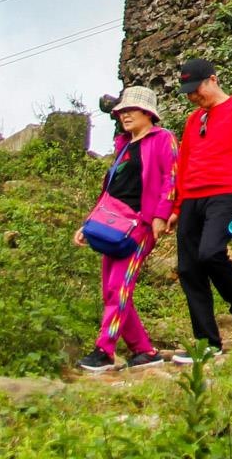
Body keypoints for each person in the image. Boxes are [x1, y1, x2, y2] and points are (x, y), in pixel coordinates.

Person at [169, 58, 232, 362]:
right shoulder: (193, 119)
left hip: (227, 193)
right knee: (188, 268)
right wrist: (176, 206)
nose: (192, 96)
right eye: (187, 91)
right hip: (191, 197)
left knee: (210, 253)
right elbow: (183, 162)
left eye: (196, 88)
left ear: (212, 80)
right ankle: (207, 342)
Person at [74, 85, 177, 373]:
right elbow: (111, 189)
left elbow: (171, 177)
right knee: (111, 290)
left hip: (140, 224)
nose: (124, 115)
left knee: (119, 286)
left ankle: (104, 350)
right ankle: (144, 350)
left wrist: (161, 215)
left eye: (130, 110)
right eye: (121, 111)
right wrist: (88, 223)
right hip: (113, 224)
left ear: (148, 113)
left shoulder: (162, 139)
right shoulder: (124, 145)